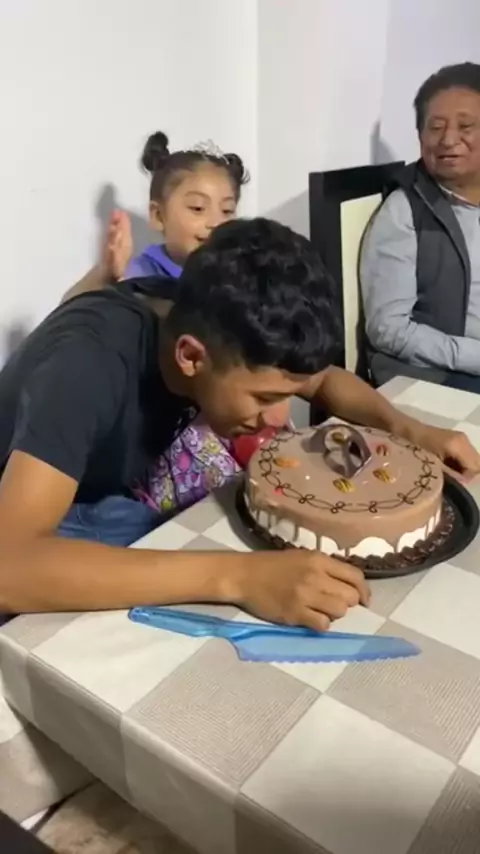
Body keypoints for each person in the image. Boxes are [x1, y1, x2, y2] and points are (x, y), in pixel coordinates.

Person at [0, 215, 478, 633]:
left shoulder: (205, 320)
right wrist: (240, 578)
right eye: (266, 399)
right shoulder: (87, 366)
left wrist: (410, 429)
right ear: (191, 357)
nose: (277, 417)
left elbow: (321, 379)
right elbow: (10, 568)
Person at [361, 62, 480, 391]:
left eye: (465, 126)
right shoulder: (404, 211)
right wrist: (473, 356)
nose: (448, 139)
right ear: (420, 136)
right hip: (439, 376)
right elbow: (387, 328)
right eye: (436, 127)